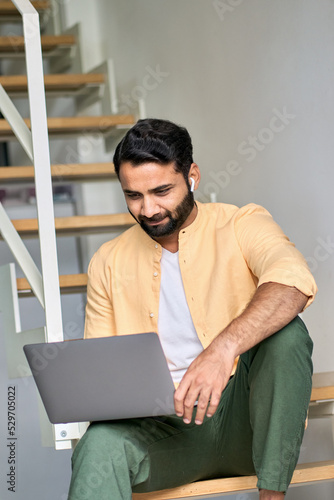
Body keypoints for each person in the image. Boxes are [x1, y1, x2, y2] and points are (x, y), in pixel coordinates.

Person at [68, 118, 317, 500]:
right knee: (98, 443)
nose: (148, 209)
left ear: (192, 176)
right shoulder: (108, 260)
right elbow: (104, 372)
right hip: (167, 436)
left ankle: (272, 495)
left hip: (244, 421)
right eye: (133, 196)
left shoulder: (241, 222)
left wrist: (221, 351)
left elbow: (293, 281)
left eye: (162, 190)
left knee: (287, 334)